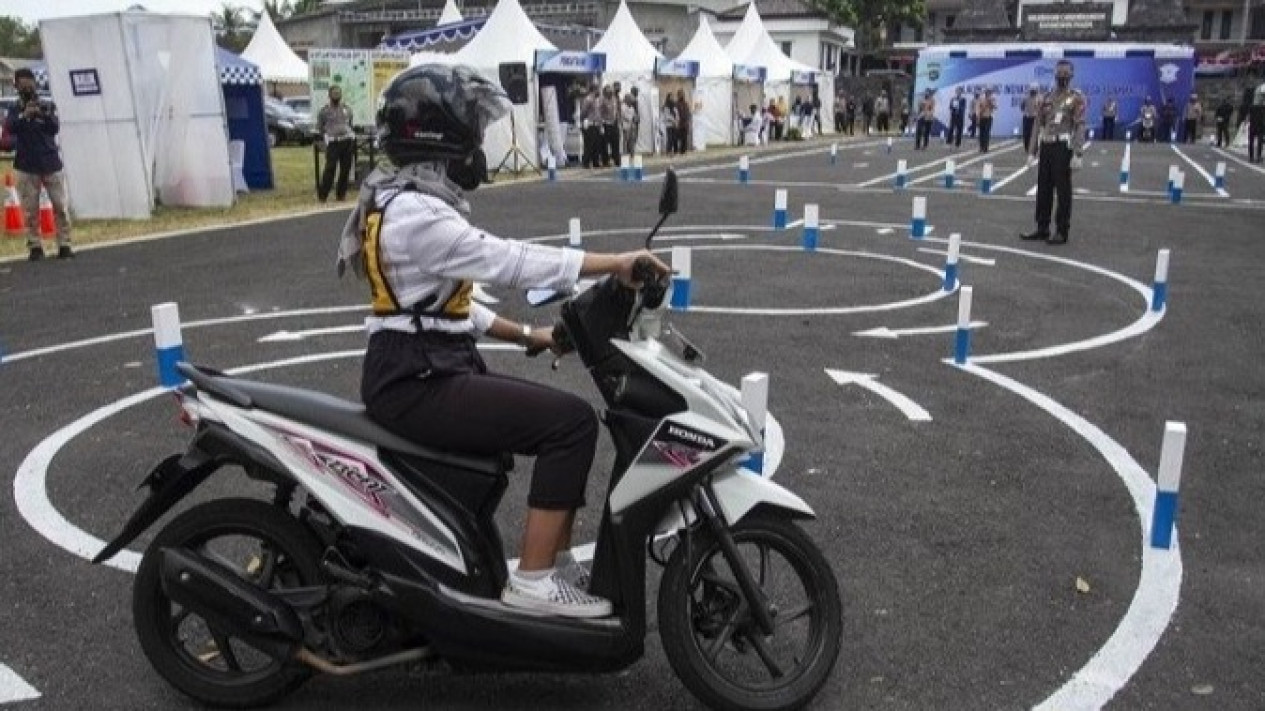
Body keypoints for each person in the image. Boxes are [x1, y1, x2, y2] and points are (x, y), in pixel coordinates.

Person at [337, 63, 670, 618]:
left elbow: (439, 309)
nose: (478, 146)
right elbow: (508, 258)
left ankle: (554, 566)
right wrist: (616, 262)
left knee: (550, 421)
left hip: (419, 366)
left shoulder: (400, 200)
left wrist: (528, 336)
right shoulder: (417, 213)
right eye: (470, 128)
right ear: (439, 136)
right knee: (569, 424)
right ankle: (534, 581)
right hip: (419, 379)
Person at [3, 68, 72, 261]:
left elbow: (54, 127)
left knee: (59, 205)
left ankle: (64, 243)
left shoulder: (47, 104)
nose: (26, 89)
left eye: (29, 85)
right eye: (22, 86)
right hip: (26, 163)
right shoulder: (14, 109)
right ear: (16, 86)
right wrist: (25, 114)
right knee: (30, 208)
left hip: (50, 160)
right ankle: (35, 245)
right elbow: (11, 128)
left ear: (35, 84)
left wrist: (40, 112)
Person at [1020, 60, 1086, 246]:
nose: (1062, 77)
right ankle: (1042, 227)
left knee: (1063, 191)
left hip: (1063, 147)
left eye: (1065, 74)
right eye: (1059, 74)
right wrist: (1032, 151)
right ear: (1055, 75)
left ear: (1071, 76)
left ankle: (1061, 230)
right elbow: (1037, 124)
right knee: (1044, 189)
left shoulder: (1076, 98)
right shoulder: (1047, 98)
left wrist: (1078, 153)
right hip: (1046, 147)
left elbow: (1080, 125)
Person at [316, 85, 356, 203]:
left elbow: (350, 124)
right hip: (333, 143)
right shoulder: (324, 111)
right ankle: (323, 196)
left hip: (346, 141)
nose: (337, 95)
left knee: (345, 169)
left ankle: (341, 195)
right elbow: (320, 127)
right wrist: (325, 139)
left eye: (338, 93)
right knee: (330, 168)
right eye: (334, 93)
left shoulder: (347, 109)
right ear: (329, 95)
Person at [580, 84, 602, 168]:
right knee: (589, 145)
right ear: (594, 90)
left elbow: (598, 113)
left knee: (596, 145)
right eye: (597, 90)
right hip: (590, 124)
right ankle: (586, 162)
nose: (599, 91)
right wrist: (584, 121)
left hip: (596, 124)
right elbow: (583, 112)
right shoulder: (588, 99)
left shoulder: (597, 100)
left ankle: (595, 162)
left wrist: (600, 124)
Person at [600, 85, 619, 166]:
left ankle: (617, 160)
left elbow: (617, 111)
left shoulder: (614, 99)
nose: (611, 93)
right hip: (606, 124)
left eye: (611, 92)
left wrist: (618, 121)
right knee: (604, 144)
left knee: (615, 143)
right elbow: (599, 113)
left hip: (614, 124)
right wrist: (601, 125)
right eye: (609, 92)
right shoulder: (602, 101)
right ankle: (605, 161)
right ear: (605, 93)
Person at [977, 87, 997, 152]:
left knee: (986, 132)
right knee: (981, 133)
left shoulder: (993, 99)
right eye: (987, 91)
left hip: (989, 117)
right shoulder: (981, 98)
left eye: (989, 92)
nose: (988, 93)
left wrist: (990, 102)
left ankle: (985, 147)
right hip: (982, 117)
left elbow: (995, 107)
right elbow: (978, 108)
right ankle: (981, 147)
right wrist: (978, 116)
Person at [1022, 84, 1040, 152]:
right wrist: (1026, 112)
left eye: (1034, 90)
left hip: (1035, 118)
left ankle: (1035, 148)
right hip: (1027, 117)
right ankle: (1027, 147)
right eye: (1032, 90)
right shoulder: (1026, 98)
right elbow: (1022, 106)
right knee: (1026, 133)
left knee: (1035, 133)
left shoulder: (1039, 98)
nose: (1033, 92)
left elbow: (1040, 108)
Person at [620, 93, 639, 157]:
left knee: (632, 141)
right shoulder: (623, 106)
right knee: (625, 141)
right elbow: (624, 116)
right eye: (630, 99)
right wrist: (631, 118)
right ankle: (625, 154)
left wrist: (635, 118)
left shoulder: (632, 108)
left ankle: (632, 154)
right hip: (625, 126)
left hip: (632, 126)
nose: (631, 101)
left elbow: (634, 116)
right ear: (627, 99)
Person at [1250, 85, 1265, 164]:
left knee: (1252, 141)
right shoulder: (1263, 108)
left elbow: (1249, 116)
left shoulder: (1252, 107)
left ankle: (1251, 156)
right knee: (1260, 141)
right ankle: (1258, 156)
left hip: (1253, 125)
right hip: (1260, 125)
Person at [675, 88, 692, 153]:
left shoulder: (685, 103)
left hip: (685, 124)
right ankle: (679, 150)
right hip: (679, 123)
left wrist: (687, 119)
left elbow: (687, 112)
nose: (682, 95)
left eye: (682, 94)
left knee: (685, 138)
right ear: (678, 95)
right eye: (680, 94)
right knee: (679, 138)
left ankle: (684, 150)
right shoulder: (676, 104)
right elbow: (676, 113)